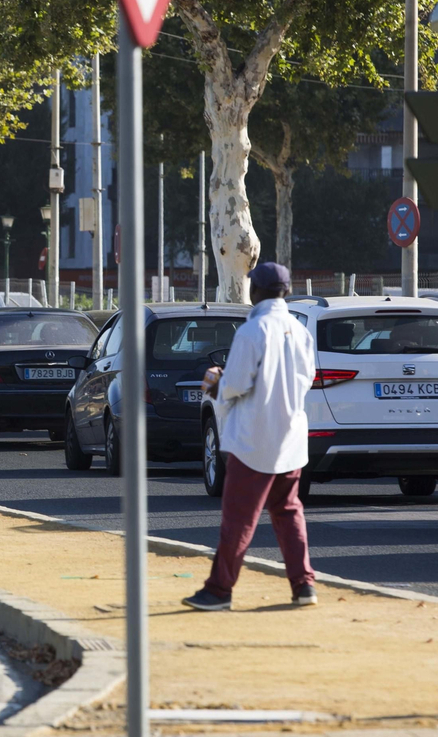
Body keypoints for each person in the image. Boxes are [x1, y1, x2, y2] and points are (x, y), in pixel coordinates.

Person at [182, 261, 318, 612]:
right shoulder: (300, 331)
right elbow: (304, 380)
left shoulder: (252, 331)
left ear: (255, 290)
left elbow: (237, 385)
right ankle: (303, 584)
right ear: (285, 291)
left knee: (239, 519)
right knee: (288, 513)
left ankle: (219, 590)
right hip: (290, 438)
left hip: (254, 439)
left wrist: (215, 381)